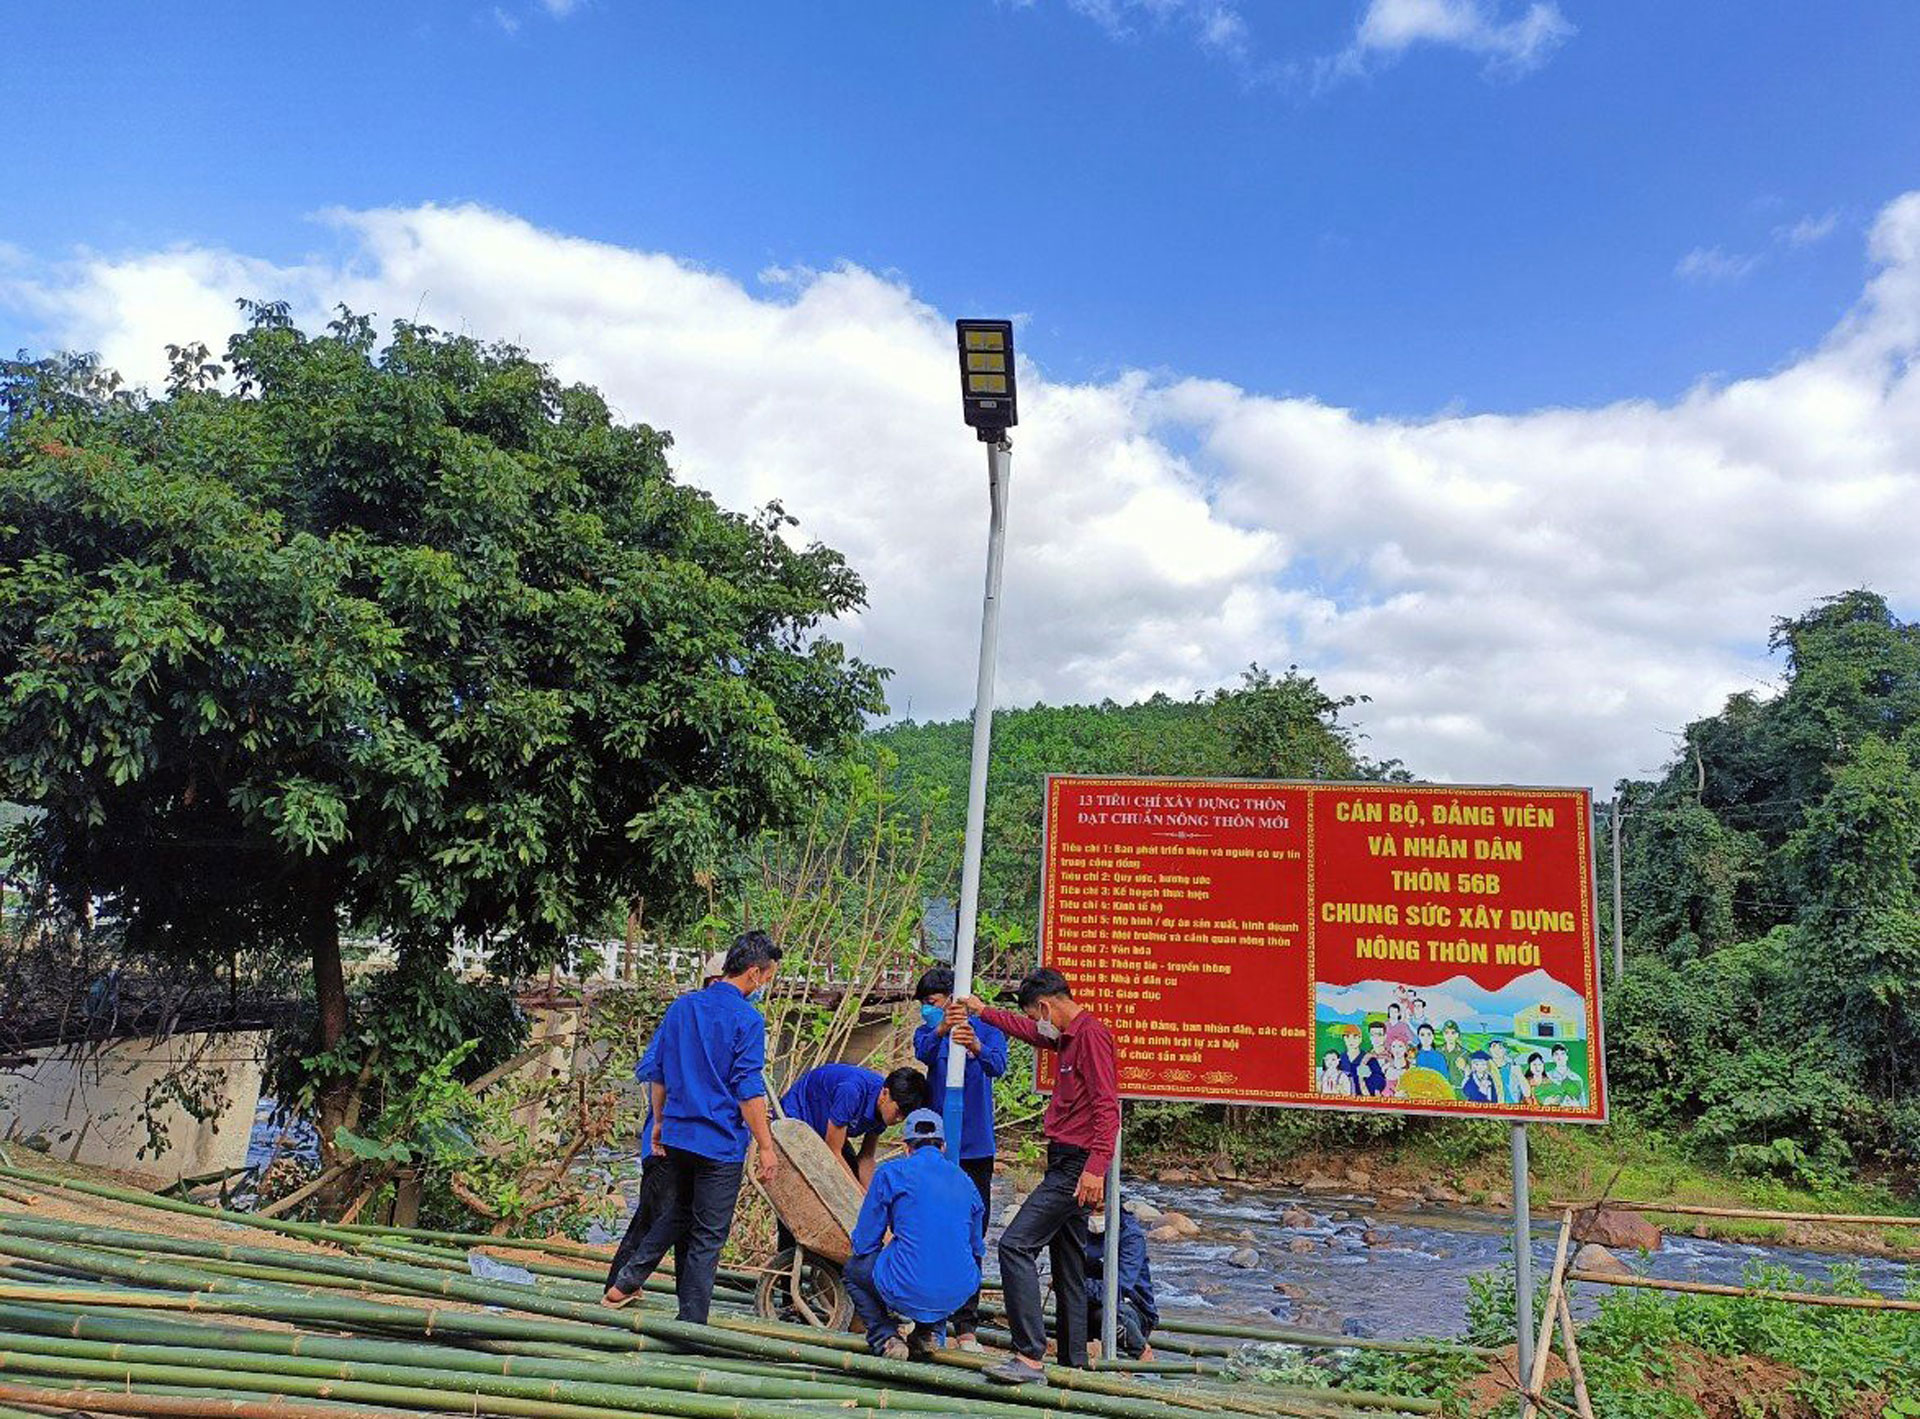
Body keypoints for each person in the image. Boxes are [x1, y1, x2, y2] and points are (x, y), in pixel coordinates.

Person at [604, 932, 782, 1321]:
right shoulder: (748, 1019)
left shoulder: (682, 1008)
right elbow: (748, 1088)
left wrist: (659, 1124)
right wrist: (765, 1145)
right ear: (753, 974)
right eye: (767, 977)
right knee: (708, 1234)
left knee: (681, 1211)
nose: (765, 985)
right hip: (719, 1143)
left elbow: (659, 1072)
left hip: (679, 1135)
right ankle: (692, 1324)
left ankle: (626, 1280)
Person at [958, 968, 1119, 1386]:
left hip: (1076, 1165)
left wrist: (1096, 1168)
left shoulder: (1091, 1035)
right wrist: (983, 1012)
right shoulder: (1064, 1036)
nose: (1036, 1024)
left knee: (1015, 1246)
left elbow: (1108, 1107)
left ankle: (1029, 1356)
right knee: (1068, 1262)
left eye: (1037, 1015)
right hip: (1066, 1158)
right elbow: (1027, 1032)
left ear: (1046, 1006)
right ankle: (1073, 1361)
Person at [605, 951, 729, 1291]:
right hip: (669, 1144)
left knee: (688, 1224)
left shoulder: (727, 1025)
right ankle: (619, 1285)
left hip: (696, 1144)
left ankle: (685, 1303)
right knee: (655, 1217)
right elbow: (652, 1069)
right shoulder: (686, 1017)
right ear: (717, 982)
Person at [912, 966, 1007, 1351]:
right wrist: (941, 1029)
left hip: (976, 1149)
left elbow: (997, 1065)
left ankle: (966, 1324)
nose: (927, 1011)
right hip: (937, 1150)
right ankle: (929, 1321)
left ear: (953, 998)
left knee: (972, 1236)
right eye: (924, 1006)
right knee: (930, 1229)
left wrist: (975, 1047)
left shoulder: (985, 1028)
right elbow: (923, 1052)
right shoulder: (928, 1033)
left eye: (933, 1004)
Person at [843, 1109, 986, 1361]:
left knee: (855, 1271)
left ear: (906, 1147)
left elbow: (865, 1242)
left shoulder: (891, 1173)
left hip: (909, 1285)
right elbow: (976, 1248)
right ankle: (925, 1334)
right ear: (943, 1146)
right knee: (943, 1258)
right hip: (959, 1290)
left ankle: (885, 1336)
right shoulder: (966, 1181)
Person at [779, 1062, 928, 1185]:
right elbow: (833, 1152)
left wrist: (868, 1200)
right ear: (885, 1094)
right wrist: (857, 1193)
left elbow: (866, 1158)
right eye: (898, 1111)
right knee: (801, 1183)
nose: (899, 1119)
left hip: (828, 1128)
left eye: (905, 1115)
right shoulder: (851, 1091)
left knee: (852, 1170)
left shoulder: (883, 1111)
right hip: (799, 1117)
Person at [1085, 1208, 1158, 1360]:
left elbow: (1117, 1290)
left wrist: (1073, 1285)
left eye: (1098, 1210)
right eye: (1090, 1210)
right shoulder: (1077, 1225)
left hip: (1129, 1307)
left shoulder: (1130, 1236)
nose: (1093, 1215)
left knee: (1104, 1313)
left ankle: (1142, 1352)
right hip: (1086, 1300)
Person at [1439, 1021, 1470, 1088]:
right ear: (1443, 1035)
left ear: (1457, 1035)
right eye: (1447, 1033)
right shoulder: (1437, 1051)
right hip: (1441, 1088)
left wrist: (1465, 1067)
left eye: (1453, 1033)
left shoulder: (1464, 1053)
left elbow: (1471, 1073)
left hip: (1459, 1088)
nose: (1450, 1036)